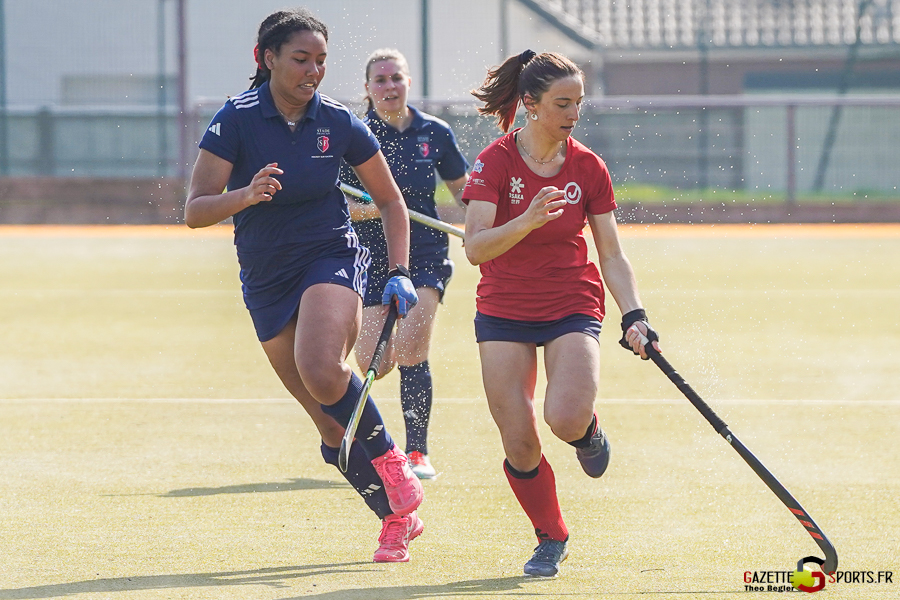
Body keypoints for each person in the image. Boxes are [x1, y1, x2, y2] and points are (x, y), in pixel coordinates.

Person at [184, 8, 425, 563]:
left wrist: (399, 270)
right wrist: (243, 195)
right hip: (265, 277)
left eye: (320, 60)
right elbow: (196, 210)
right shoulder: (235, 120)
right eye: (300, 59)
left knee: (322, 370)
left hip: (329, 258)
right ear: (266, 59)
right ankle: (395, 520)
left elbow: (391, 201)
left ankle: (391, 457)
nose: (313, 70)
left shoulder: (338, 121)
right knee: (328, 422)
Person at [462, 49, 661, 577]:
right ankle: (551, 536)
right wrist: (525, 220)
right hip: (504, 307)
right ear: (530, 104)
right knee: (519, 438)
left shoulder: (588, 166)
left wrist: (634, 315)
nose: (574, 114)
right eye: (562, 103)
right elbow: (476, 248)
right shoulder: (495, 163)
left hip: (570, 301)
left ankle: (587, 432)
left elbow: (612, 255)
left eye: (578, 103)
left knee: (564, 416)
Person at [340, 49, 469, 480]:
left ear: (408, 82)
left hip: (426, 254)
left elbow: (466, 194)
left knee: (413, 345)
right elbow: (340, 206)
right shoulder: (354, 134)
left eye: (396, 78)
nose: (389, 86)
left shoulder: (435, 132)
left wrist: (488, 227)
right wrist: (384, 208)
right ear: (367, 89)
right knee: (376, 361)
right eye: (380, 80)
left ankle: (417, 453)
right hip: (369, 257)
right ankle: (383, 449)